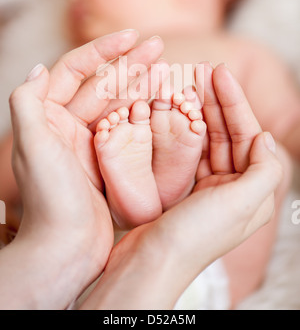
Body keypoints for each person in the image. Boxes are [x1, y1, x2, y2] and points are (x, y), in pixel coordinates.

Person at [0, 32, 282, 309]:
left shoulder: (241, 49)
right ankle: (153, 196)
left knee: (266, 164)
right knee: (264, 172)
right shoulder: (78, 65)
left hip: (61, 276)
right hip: (179, 267)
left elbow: (288, 120)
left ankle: (152, 192)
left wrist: (51, 238)